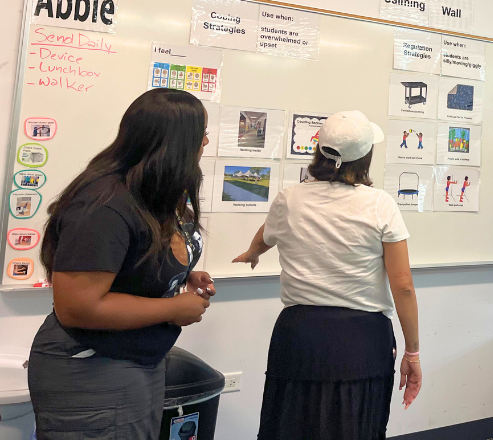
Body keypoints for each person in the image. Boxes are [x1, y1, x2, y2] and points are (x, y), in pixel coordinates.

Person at [28, 88, 217, 440]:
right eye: (201, 133)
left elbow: (133, 256)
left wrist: (179, 274)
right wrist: (173, 308)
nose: (205, 142)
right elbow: (78, 307)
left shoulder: (149, 192)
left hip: (136, 361)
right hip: (90, 364)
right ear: (176, 141)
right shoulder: (105, 204)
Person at [234, 110, 422, 440]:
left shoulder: (290, 199)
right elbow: (402, 284)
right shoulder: (380, 204)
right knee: (356, 427)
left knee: (290, 427)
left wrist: (253, 252)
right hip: (362, 340)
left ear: (319, 150)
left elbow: (267, 234)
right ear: (366, 157)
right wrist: (413, 353)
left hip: (299, 337)